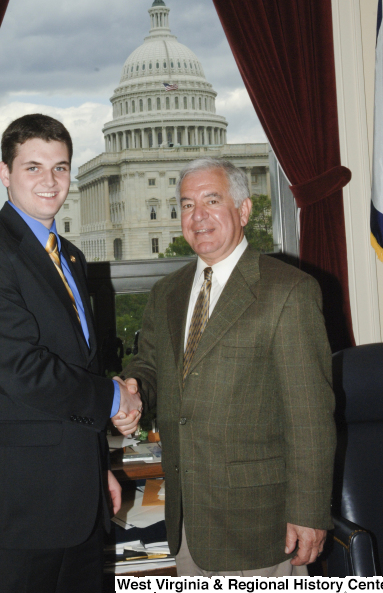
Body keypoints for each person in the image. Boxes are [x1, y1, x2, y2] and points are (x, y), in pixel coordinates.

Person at [0, 113, 141, 593]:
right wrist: (115, 398)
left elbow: (77, 366)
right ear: (4, 173)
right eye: (33, 167)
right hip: (10, 516)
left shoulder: (69, 255)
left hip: (75, 506)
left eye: (60, 167)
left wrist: (97, 472)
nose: (50, 181)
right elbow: (22, 370)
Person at [113, 158, 336, 577]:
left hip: (261, 530)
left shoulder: (288, 291)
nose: (198, 216)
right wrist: (134, 389)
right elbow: (151, 365)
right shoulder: (167, 292)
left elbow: (310, 417)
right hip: (186, 524)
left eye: (212, 201)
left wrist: (309, 512)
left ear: (244, 210)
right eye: (187, 205)